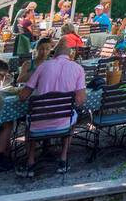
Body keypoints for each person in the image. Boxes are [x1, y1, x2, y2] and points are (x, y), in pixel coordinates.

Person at [17, 41, 87, 179]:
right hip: (64, 122)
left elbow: (23, 96)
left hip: (39, 122)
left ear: (53, 55)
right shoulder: (78, 68)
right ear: (70, 55)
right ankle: (63, 158)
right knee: (72, 118)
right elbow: (80, 100)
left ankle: (30, 162)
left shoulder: (43, 66)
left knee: (29, 124)